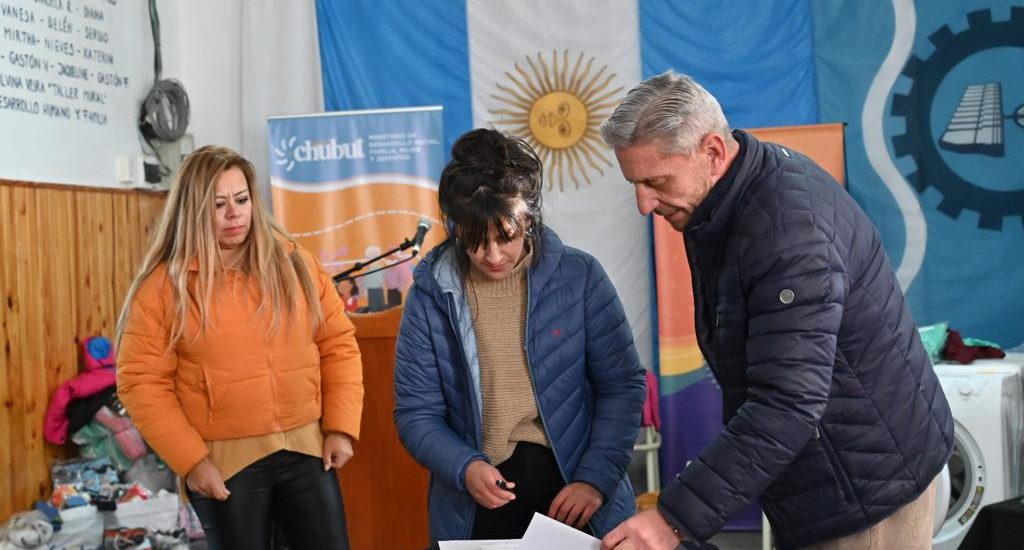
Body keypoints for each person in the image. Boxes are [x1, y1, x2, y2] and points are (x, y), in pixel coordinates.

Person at [598, 71, 954, 550]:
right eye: (634, 184)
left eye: (656, 181)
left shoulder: (787, 234)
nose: (644, 204)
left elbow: (787, 401)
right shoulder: (732, 195)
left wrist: (672, 519)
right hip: (835, 473)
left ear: (713, 152)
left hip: (865, 493)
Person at [393, 128, 647, 543]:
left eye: (506, 237)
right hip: (478, 501)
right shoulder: (431, 295)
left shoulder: (580, 278)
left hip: (574, 491)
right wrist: (463, 466)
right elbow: (416, 413)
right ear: (455, 227)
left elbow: (621, 386)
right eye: (474, 242)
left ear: (528, 217)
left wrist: (595, 480)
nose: (492, 256)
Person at [115, 145, 364, 550]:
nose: (234, 213)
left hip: (308, 453)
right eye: (219, 204)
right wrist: (192, 462)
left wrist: (339, 427)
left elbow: (337, 344)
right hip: (225, 466)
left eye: (242, 199)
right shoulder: (163, 288)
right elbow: (141, 383)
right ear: (193, 210)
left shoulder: (296, 264)